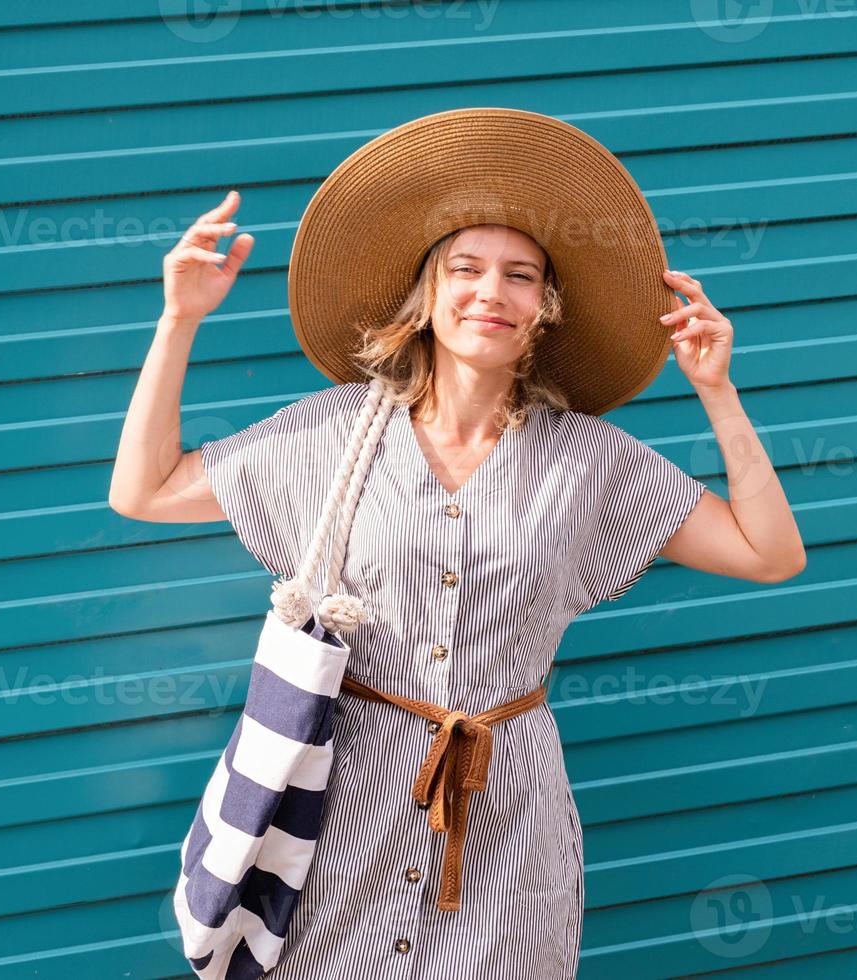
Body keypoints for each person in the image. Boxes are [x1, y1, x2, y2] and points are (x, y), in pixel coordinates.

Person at [109, 108, 805, 979]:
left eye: (520, 276)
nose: (491, 293)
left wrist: (718, 393)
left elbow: (769, 553)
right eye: (465, 268)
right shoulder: (333, 432)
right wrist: (178, 320)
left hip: (507, 817)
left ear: (544, 310)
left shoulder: (589, 459)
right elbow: (143, 490)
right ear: (426, 296)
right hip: (336, 812)